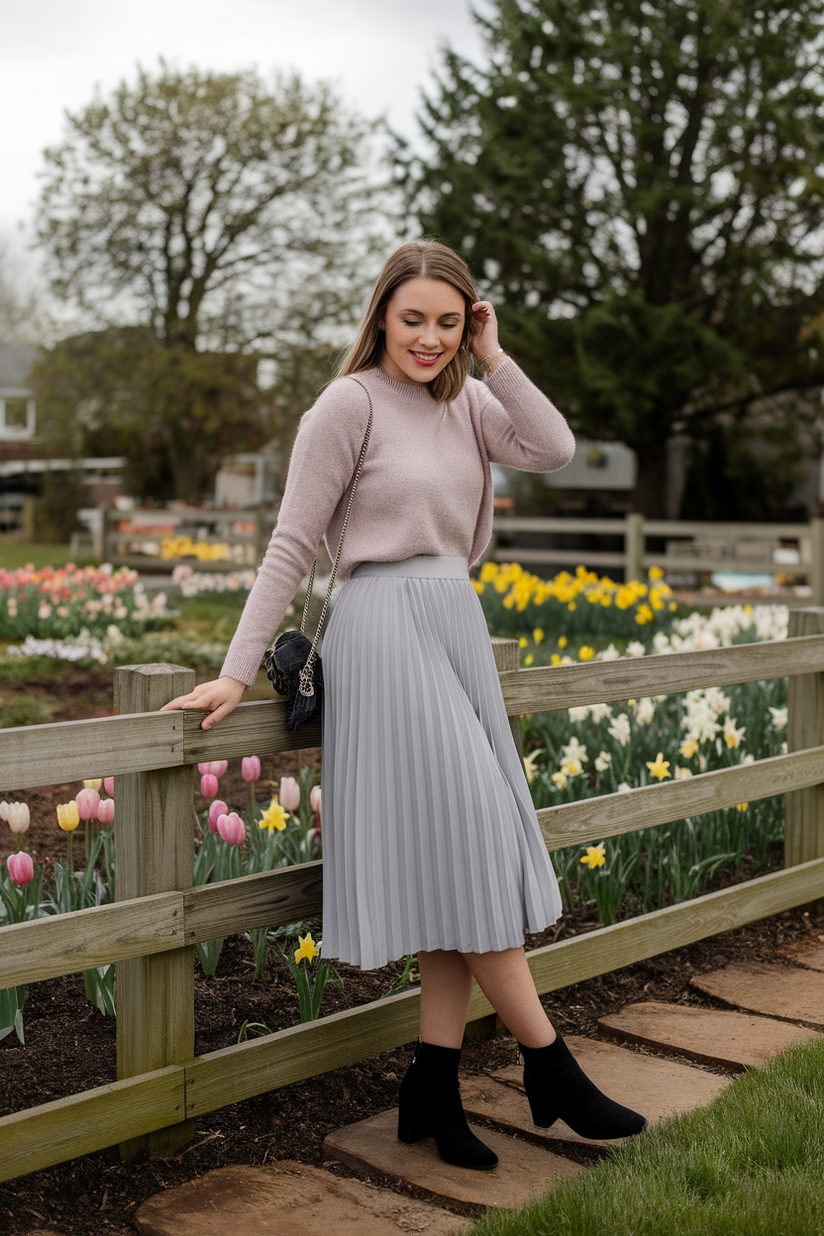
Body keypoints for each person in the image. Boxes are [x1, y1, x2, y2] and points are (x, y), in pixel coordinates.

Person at [162, 239, 646, 1170]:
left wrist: (495, 359)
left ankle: (431, 1085)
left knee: (453, 866)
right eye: (413, 317)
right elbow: (292, 545)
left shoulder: (467, 402)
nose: (429, 338)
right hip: (383, 632)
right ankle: (551, 1068)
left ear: (470, 324)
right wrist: (236, 666)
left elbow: (554, 447)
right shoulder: (347, 405)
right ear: (381, 313)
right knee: (471, 838)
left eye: (449, 322)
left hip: (454, 626)